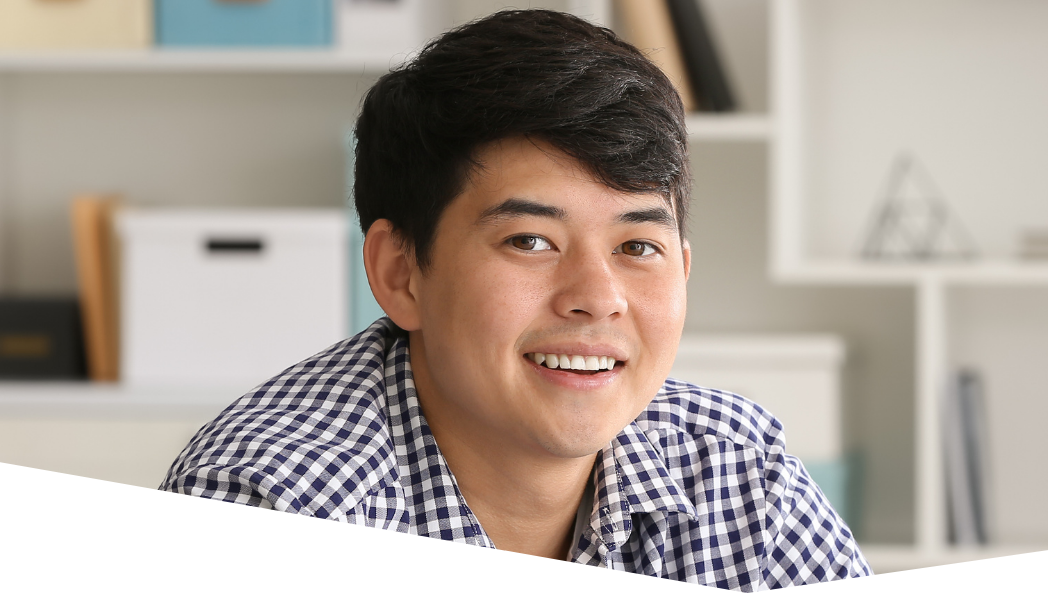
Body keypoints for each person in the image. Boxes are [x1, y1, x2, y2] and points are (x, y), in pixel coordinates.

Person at [159, 9, 868, 590]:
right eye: (531, 241)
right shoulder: (277, 510)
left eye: (637, 247)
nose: (598, 299)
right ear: (401, 273)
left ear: (683, 268)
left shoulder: (741, 476)